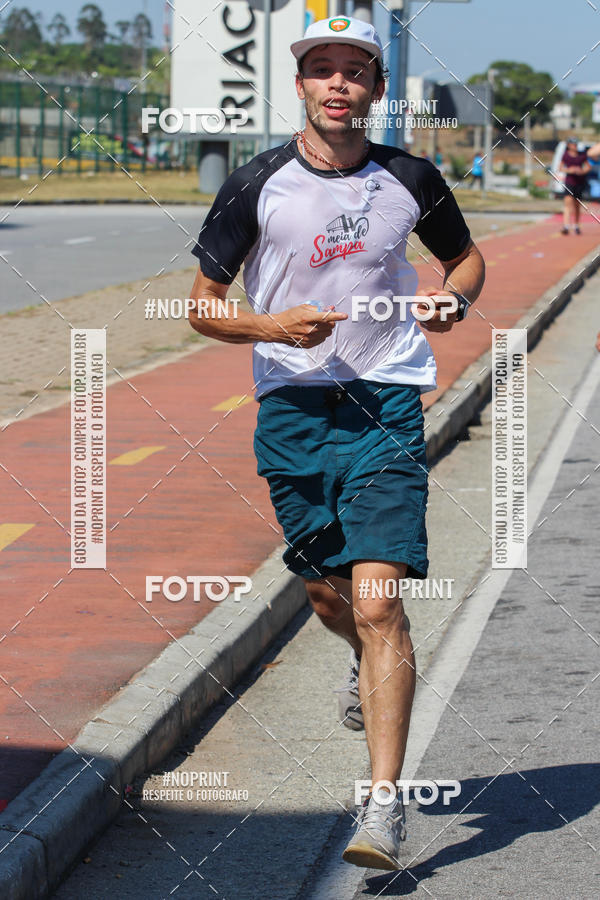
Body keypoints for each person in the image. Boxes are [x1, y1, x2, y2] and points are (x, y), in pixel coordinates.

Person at [188, 16, 485, 871]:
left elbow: (467, 261)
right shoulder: (255, 184)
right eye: (322, 69)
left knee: (379, 601)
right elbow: (203, 304)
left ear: (376, 89)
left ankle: (383, 804)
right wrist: (269, 325)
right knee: (330, 599)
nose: (338, 84)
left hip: (386, 402)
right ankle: (363, 661)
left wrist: (454, 301)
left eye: (354, 71)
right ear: (303, 86)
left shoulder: (410, 177)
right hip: (292, 410)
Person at [559, 137, 591, 234]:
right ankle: (566, 226)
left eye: (576, 144)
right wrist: (570, 170)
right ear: (569, 145)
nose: (575, 146)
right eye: (573, 144)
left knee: (577, 205)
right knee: (567, 204)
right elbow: (560, 168)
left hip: (579, 183)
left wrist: (581, 171)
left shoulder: (582, 155)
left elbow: (588, 167)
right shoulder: (565, 155)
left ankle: (576, 225)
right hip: (569, 182)